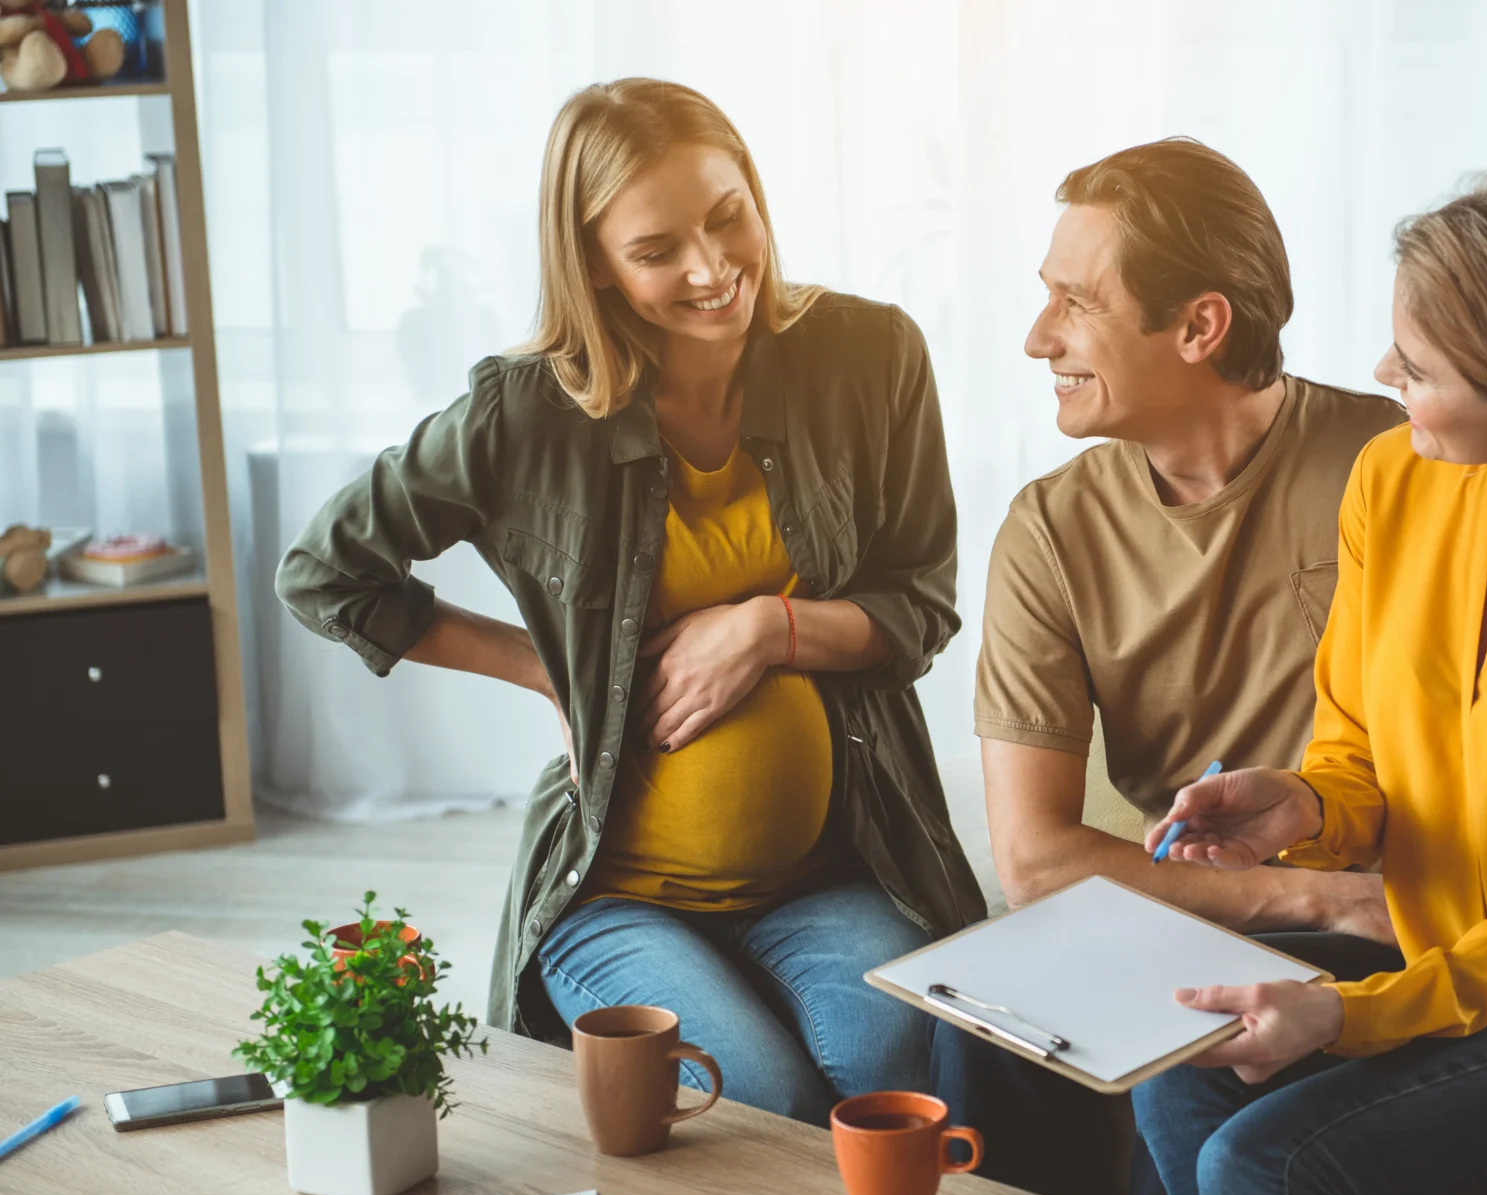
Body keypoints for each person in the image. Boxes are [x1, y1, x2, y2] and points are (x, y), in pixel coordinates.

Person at [937, 138, 1487, 1195]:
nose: (1388, 380)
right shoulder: (1400, 479)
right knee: (1180, 1063)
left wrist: (1340, 1013)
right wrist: (1305, 806)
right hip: (1452, 938)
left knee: (1268, 1158)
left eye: (1417, 367)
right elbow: (1355, 745)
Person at [277, 79, 984, 1127]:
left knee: (907, 1083)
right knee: (765, 1111)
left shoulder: (871, 356)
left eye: (727, 216)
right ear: (594, 264)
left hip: (836, 867)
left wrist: (764, 629)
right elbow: (325, 574)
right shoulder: (523, 414)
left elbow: (920, 599)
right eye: (657, 251)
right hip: (617, 898)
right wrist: (547, 671)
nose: (712, 269)